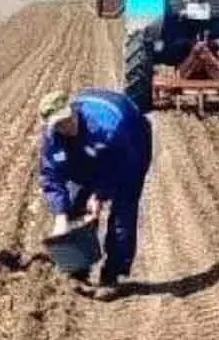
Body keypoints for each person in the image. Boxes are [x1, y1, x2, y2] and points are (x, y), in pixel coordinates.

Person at [37, 88, 153, 300]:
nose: (66, 126)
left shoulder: (110, 128)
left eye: (67, 119)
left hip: (132, 143)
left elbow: (121, 167)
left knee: (123, 210)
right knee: (72, 204)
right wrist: (60, 218)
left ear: (73, 109)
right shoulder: (52, 137)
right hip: (90, 151)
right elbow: (51, 177)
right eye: (59, 124)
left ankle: (112, 275)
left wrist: (100, 194)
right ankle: (79, 266)